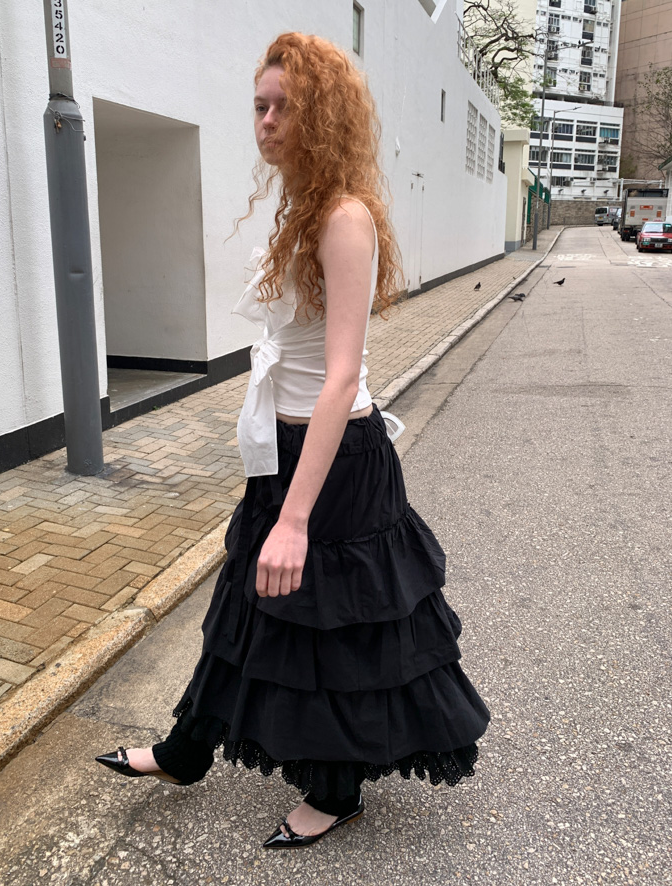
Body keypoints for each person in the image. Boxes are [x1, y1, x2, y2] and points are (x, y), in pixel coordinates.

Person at [96, 31, 490, 849]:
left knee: (337, 630)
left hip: (337, 462)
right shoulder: (299, 208)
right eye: (259, 106)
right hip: (284, 454)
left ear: (323, 116)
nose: (267, 122)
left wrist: (297, 518)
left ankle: (337, 790)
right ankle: (186, 751)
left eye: (284, 107)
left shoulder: (343, 218)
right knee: (246, 605)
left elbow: (341, 377)